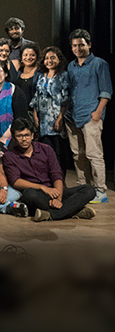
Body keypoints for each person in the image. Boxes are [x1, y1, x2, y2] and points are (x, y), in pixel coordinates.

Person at [3, 118, 96, 222]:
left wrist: (58, 198)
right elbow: (15, 181)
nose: (24, 139)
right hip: (37, 195)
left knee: (89, 189)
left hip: (55, 191)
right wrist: (42, 187)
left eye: (27, 135)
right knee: (29, 194)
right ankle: (72, 211)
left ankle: (52, 214)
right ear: (14, 138)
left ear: (32, 135)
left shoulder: (46, 149)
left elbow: (56, 174)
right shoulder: (9, 156)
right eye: (20, 136)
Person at [66, 29, 112, 204]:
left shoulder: (99, 64)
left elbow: (106, 91)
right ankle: (82, 187)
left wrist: (99, 111)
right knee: (78, 154)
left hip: (91, 115)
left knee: (94, 154)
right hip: (73, 116)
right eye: (75, 46)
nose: (78, 48)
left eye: (81, 45)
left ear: (89, 45)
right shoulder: (71, 66)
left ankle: (101, 190)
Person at [30, 46, 72, 171]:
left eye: (53, 58)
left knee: (58, 153)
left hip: (56, 119)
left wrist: (60, 119)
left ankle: (60, 182)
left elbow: (66, 98)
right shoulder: (41, 76)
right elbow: (36, 97)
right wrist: (35, 116)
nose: (49, 61)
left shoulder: (63, 75)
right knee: (45, 152)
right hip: (42, 120)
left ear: (59, 59)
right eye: (47, 58)